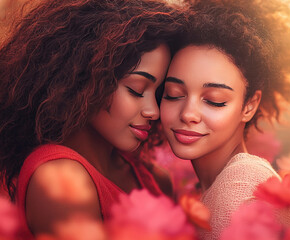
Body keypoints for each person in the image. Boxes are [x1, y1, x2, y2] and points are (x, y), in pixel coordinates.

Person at [0, 0, 186, 236]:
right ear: (85, 80)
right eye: (137, 89)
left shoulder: (152, 177)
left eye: (159, 93)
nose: (154, 111)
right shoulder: (60, 181)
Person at [160, 0, 290, 238]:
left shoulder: (242, 183)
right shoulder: (219, 185)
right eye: (173, 94)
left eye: (214, 100)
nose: (188, 113)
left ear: (249, 105)